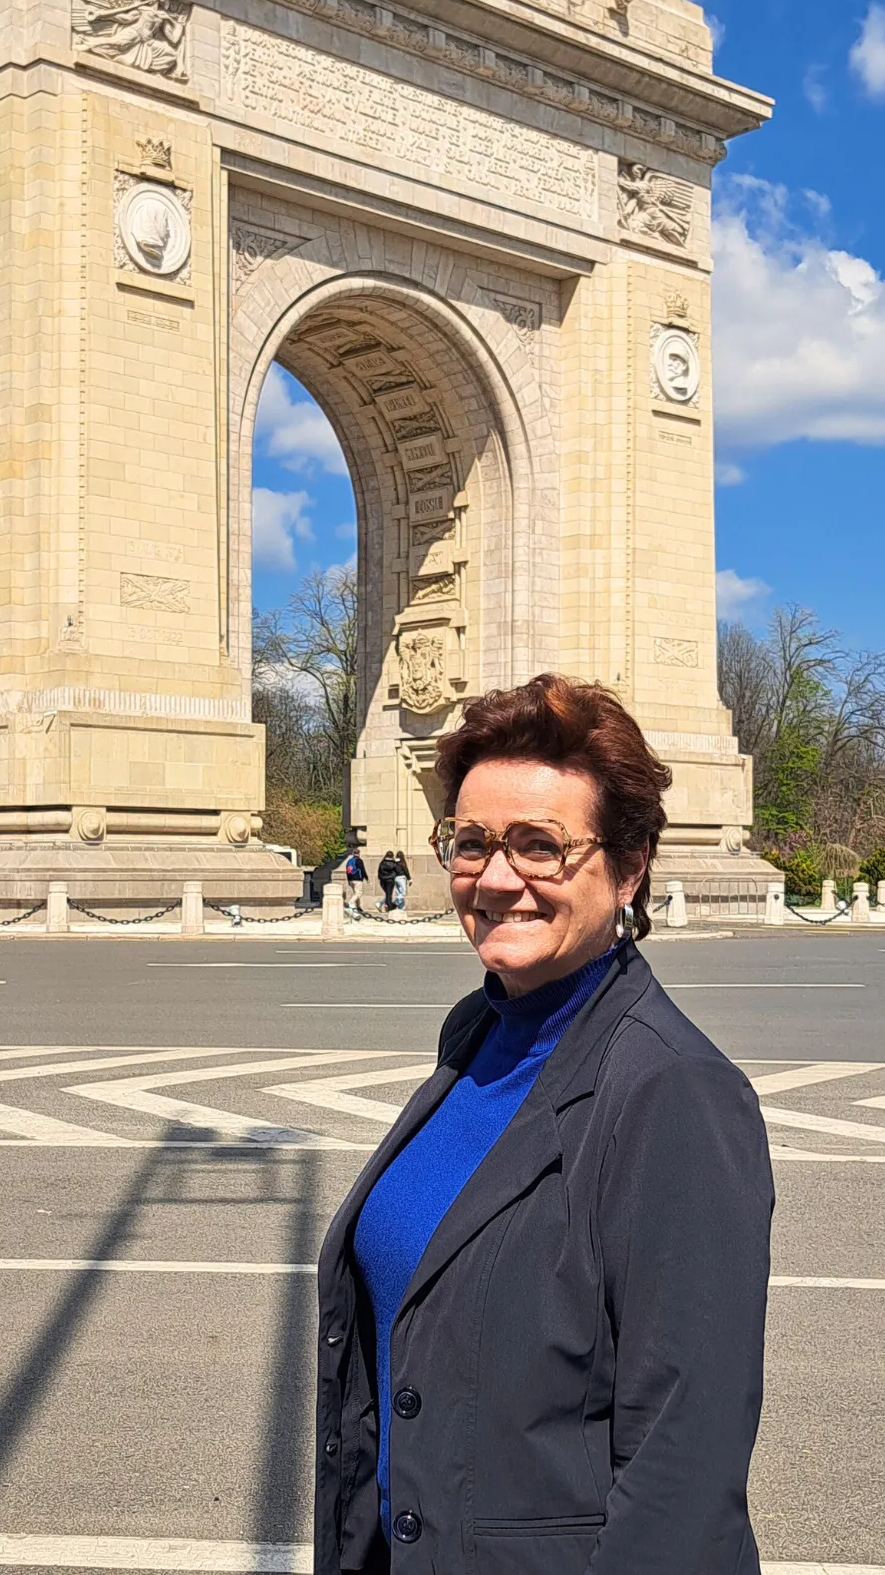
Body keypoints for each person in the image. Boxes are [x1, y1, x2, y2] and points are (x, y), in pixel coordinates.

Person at [315, 673, 772, 1575]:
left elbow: (683, 1463)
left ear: (630, 867)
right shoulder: (475, 1030)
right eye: (472, 841)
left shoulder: (676, 1092)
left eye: (541, 847)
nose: (496, 879)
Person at [344, 849, 368, 917]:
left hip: (351, 879)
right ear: (359, 853)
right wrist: (366, 878)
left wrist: (348, 880)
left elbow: (347, 871)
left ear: (353, 853)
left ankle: (357, 908)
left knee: (355, 894)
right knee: (359, 893)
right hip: (357, 879)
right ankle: (350, 902)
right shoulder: (359, 860)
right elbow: (363, 870)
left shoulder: (349, 861)